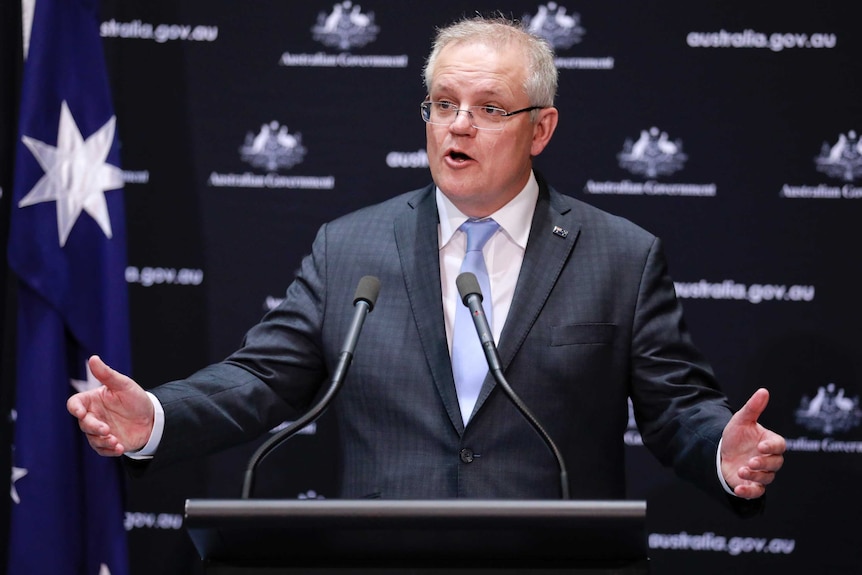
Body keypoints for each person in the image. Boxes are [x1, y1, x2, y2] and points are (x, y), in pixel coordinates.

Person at [68, 15, 784, 512]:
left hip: (558, 557)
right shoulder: (350, 246)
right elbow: (261, 379)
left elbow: (675, 408)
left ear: (542, 128)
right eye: (444, 103)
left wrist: (720, 447)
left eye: (488, 108)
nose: (459, 124)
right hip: (388, 552)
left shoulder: (621, 255)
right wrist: (157, 415)